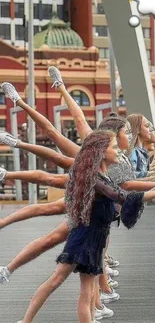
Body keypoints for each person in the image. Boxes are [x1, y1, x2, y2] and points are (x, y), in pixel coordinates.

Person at [14, 129, 152, 323]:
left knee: (86, 292)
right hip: (84, 238)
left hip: (95, 240)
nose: (119, 151)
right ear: (102, 152)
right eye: (114, 147)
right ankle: (25, 321)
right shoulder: (95, 179)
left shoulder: (104, 177)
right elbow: (121, 197)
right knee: (57, 280)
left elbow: (117, 202)